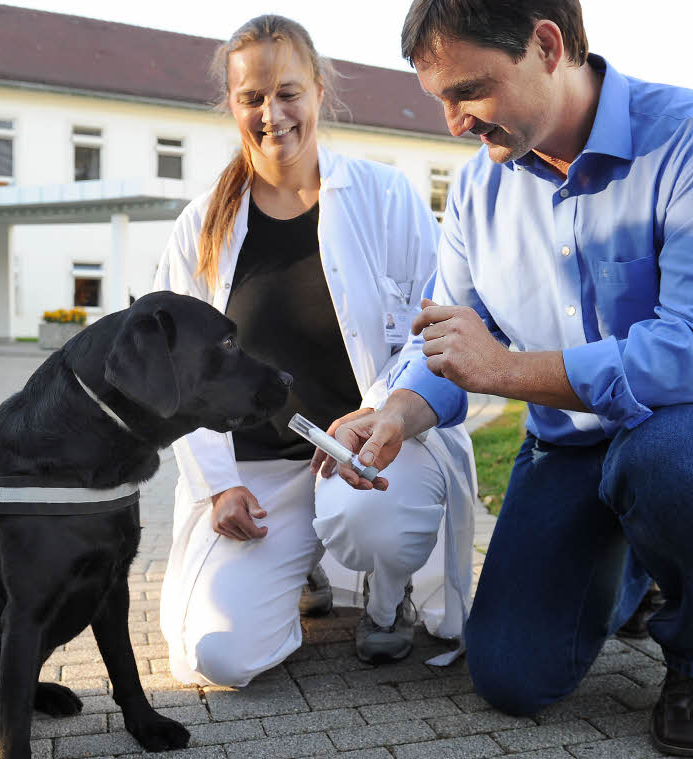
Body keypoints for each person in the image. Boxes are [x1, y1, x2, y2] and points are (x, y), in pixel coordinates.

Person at [331, 1, 693, 754]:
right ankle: (635, 568)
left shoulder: (683, 140)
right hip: (564, 447)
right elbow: (457, 339)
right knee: (510, 675)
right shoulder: (474, 192)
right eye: (442, 100)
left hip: (673, 433)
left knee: (659, 464)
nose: (455, 122)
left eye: (469, 91)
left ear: (547, 45)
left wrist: (505, 369)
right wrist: (396, 413)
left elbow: (684, 345)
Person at [153, 14, 477, 688]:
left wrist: (382, 413)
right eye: (252, 98)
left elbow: (432, 330)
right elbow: (178, 376)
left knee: (371, 519)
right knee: (219, 656)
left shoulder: (385, 199)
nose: (272, 114)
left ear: (320, 91)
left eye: (288, 92)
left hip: (364, 448)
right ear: (232, 106)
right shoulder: (199, 229)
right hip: (258, 474)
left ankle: (387, 605)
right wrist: (220, 486)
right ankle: (300, 573)